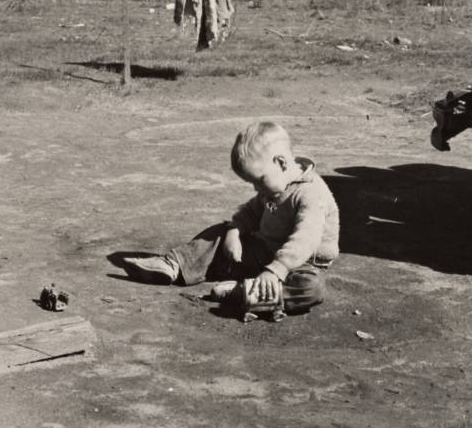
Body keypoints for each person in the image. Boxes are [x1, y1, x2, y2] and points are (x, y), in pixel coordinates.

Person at [123, 121, 339, 319]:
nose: (256, 189)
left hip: (301, 264)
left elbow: (305, 240)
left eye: (259, 181)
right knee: (220, 233)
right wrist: (234, 230)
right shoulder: (273, 187)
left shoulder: (311, 193)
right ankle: (175, 265)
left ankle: (246, 293)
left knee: (311, 288)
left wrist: (277, 269)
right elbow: (251, 212)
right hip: (264, 251)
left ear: (281, 162)